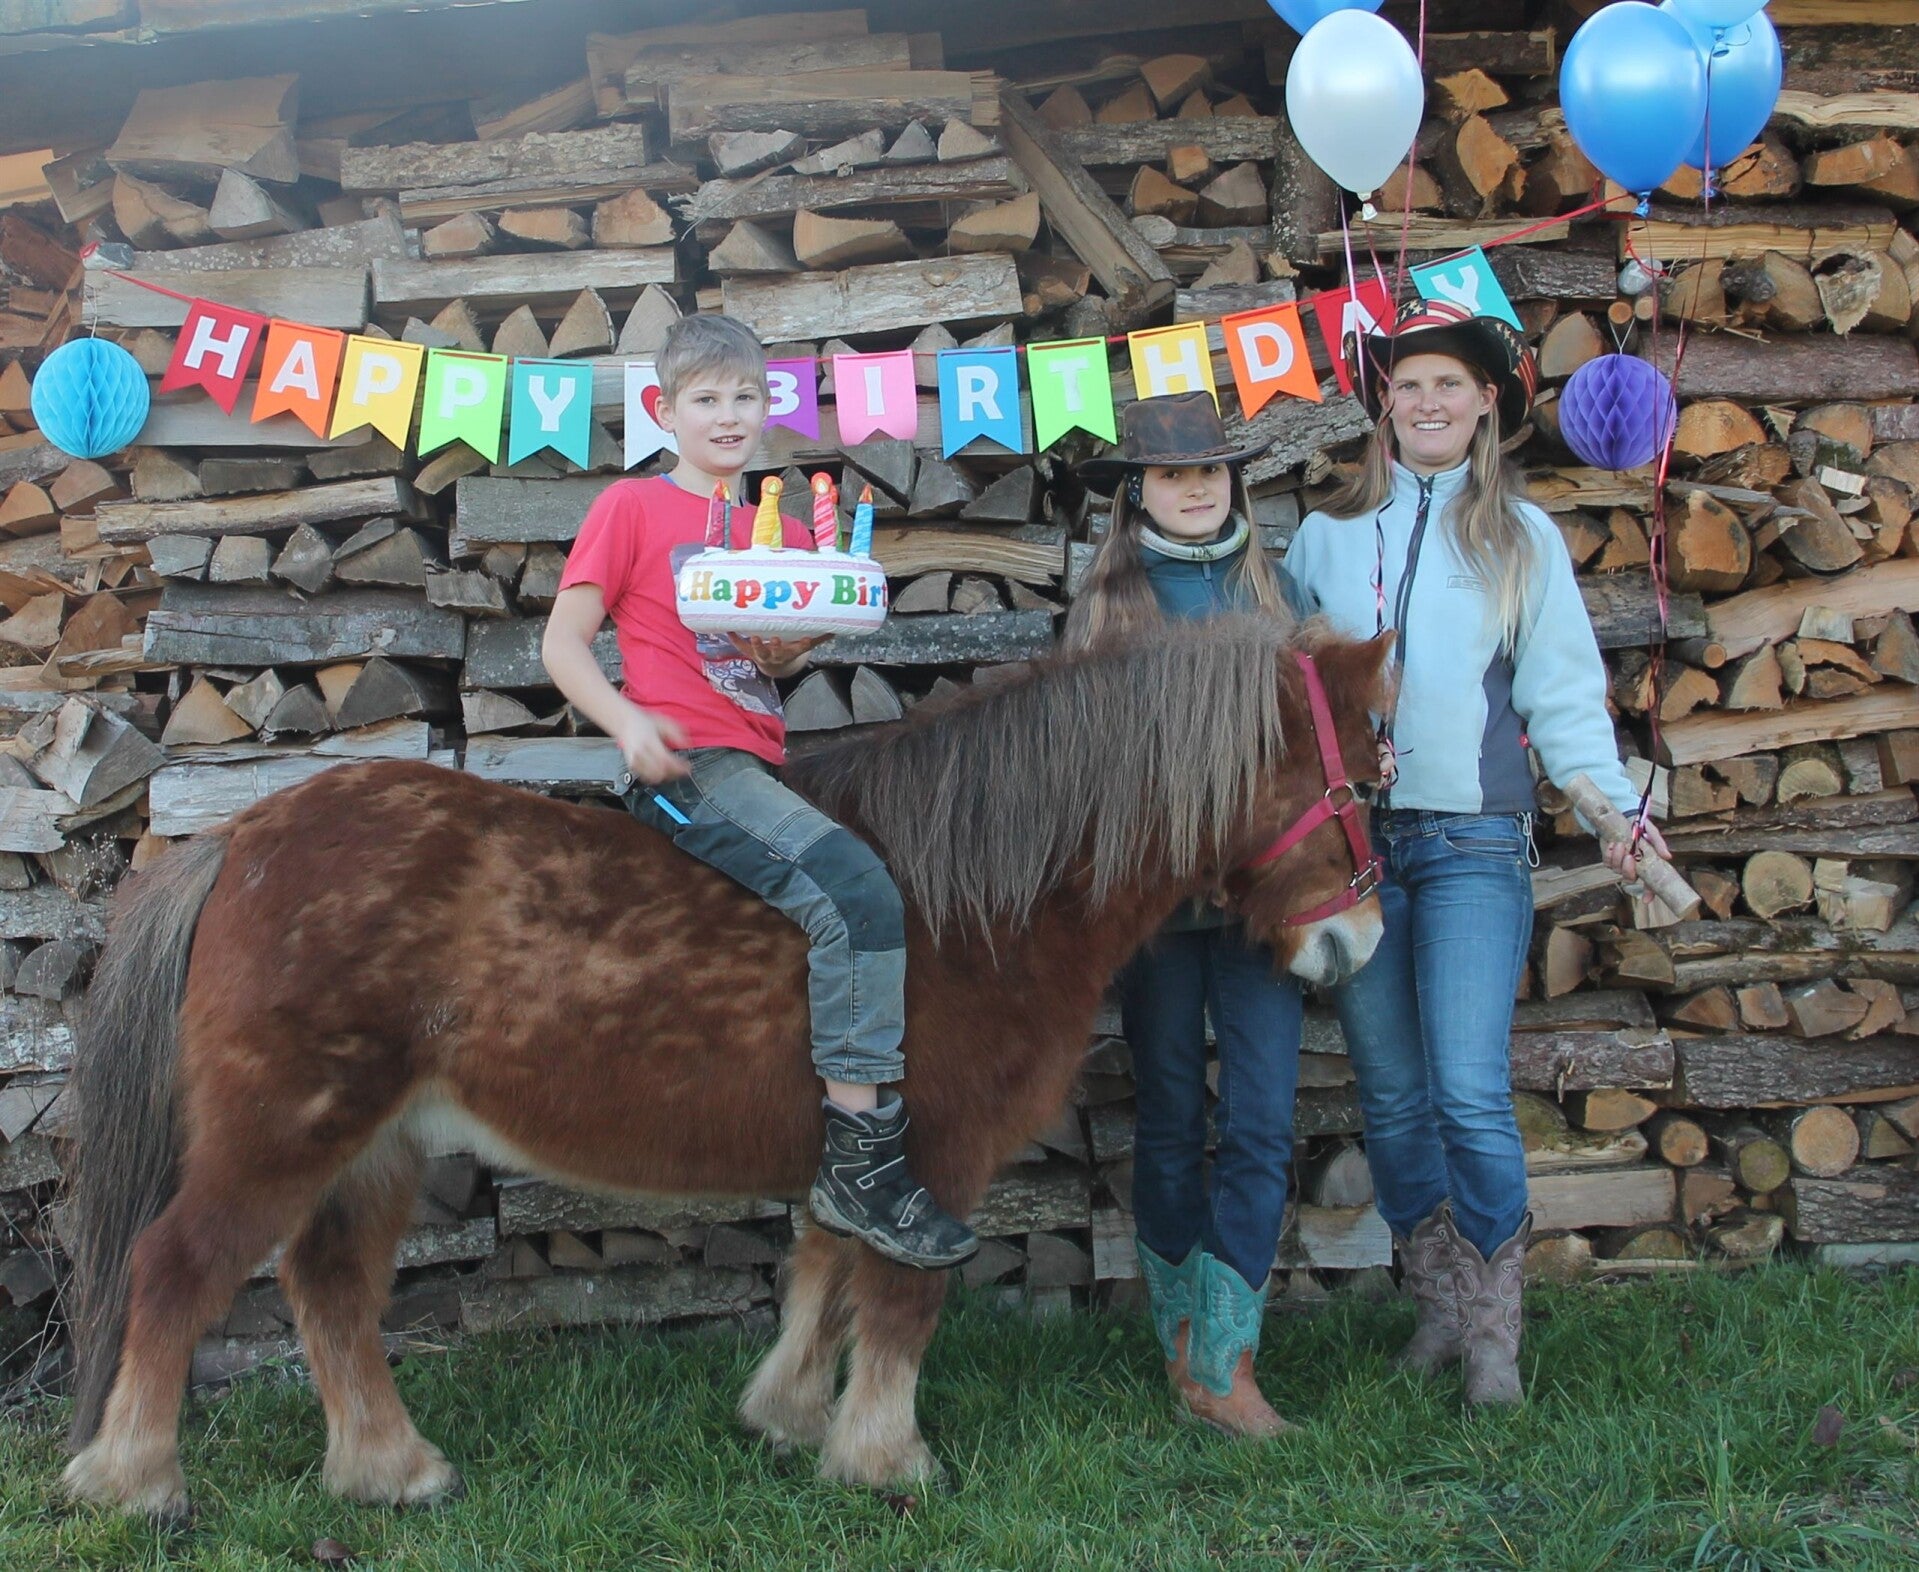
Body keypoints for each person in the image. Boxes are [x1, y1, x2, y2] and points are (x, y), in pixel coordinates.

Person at [1283, 298, 1668, 1405]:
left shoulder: (1519, 538)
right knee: (1393, 1096)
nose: (1427, 402)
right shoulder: (1323, 541)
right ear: (1384, 406)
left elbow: (1560, 694)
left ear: (1485, 400)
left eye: (1447, 383)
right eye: (1407, 385)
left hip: (1470, 843)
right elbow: (1295, 697)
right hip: (1356, 851)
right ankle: (1439, 1311)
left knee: (1464, 1090)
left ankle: (1495, 1332)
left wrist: (1609, 805)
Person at [540, 313, 977, 1271]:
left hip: (754, 758)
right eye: (705, 399)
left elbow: (757, 666)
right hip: (690, 769)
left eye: (745, 396)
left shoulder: (757, 528)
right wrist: (626, 721)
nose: (728, 415)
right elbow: (561, 644)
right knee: (856, 894)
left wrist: (788, 650)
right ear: (664, 410)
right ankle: (860, 1163)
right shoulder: (631, 507)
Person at [1065, 391, 1309, 1437]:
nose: (1195, 487)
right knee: (1168, 1114)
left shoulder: (1275, 588)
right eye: (1172, 474)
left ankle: (1225, 1359)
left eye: (1210, 469)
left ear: (1233, 480)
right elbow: (1089, 771)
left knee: (1258, 1121)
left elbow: (1306, 748)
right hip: (1159, 914)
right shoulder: (1105, 608)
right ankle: (1180, 1341)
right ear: (1137, 493)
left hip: (1263, 906)